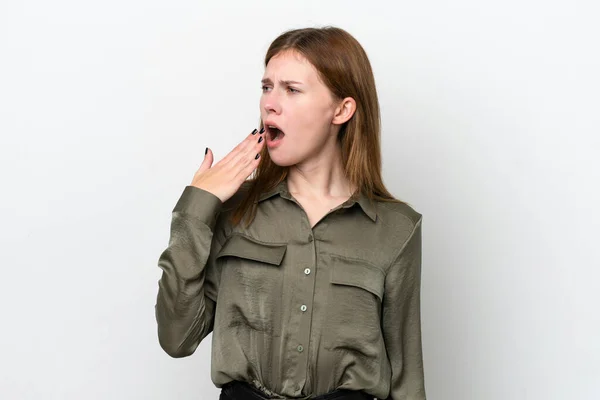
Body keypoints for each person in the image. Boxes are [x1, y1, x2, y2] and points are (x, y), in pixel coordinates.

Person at [155, 26, 426, 400]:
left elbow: (406, 379)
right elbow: (176, 338)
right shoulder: (233, 211)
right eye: (267, 87)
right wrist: (196, 207)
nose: (270, 103)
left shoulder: (397, 228)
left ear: (342, 109)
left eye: (292, 89)